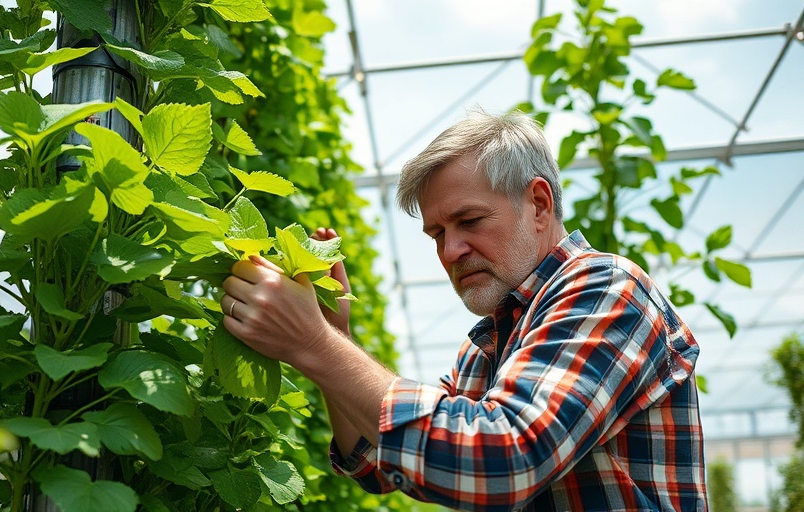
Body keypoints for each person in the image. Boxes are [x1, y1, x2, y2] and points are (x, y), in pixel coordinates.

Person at [220, 109, 707, 511]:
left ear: (538, 204)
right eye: (437, 234)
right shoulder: (487, 345)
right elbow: (375, 464)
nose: (450, 251)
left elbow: (506, 462)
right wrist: (336, 336)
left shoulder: (605, 288)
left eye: (469, 220)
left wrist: (315, 345)